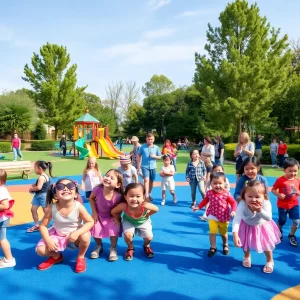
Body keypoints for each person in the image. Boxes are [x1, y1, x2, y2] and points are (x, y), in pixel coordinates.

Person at [36, 178, 93, 273]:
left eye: (70, 186)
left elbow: (90, 221)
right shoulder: (52, 208)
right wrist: (48, 240)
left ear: (76, 194)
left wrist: (77, 233)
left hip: (75, 237)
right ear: (55, 195)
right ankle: (56, 256)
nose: (66, 189)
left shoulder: (78, 207)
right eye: (60, 187)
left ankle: (81, 257)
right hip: (58, 236)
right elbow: (42, 226)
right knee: (40, 250)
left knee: (86, 235)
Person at [233, 181, 281, 273]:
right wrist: (235, 234)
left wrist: (259, 210)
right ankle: (247, 256)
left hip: (262, 226)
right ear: (244, 196)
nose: (253, 199)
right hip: (246, 225)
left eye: (257, 197)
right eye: (250, 196)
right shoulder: (242, 204)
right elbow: (237, 219)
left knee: (266, 245)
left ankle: (270, 260)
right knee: (245, 242)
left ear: (264, 196)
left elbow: (268, 218)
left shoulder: (266, 203)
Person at [193, 172, 237, 257]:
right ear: (211, 184)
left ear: (224, 183)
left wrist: (234, 210)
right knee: (212, 232)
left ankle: (225, 245)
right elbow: (205, 201)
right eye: (215, 183)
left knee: (223, 233)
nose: (217, 185)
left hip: (223, 216)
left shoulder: (226, 193)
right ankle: (213, 247)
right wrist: (199, 207)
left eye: (220, 183)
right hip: (212, 215)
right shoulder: (209, 193)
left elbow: (233, 202)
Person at [111, 183, 159, 261]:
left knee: (149, 237)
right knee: (127, 236)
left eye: (138, 196)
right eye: (131, 196)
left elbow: (156, 209)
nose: (134, 199)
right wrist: (118, 218)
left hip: (143, 222)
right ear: (125, 197)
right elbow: (113, 211)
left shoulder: (145, 205)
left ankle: (146, 246)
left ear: (143, 197)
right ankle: (130, 248)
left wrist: (148, 214)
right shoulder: (123, 205)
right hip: (129, 221)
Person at [89, 169, 124, 261]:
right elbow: (91, 199)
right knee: (94, 227)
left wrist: (117, 217)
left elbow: (120, 208)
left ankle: (113, 248)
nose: (108, 178)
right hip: (99, 215)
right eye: (107, 175)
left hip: (111, 216)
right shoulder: (97, 190)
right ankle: (99, 245)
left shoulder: (118, 196)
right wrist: (94, 213)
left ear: (118, 185)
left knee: (114, 229)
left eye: (112, 178)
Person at [271, 158, 300, 247]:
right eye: (290, 171)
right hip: (283, 205)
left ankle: (291, 235)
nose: (293, 173)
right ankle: (279, 231)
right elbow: (273, 190)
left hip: (294, 204)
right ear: (284, 170)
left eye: (295, 171)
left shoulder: (298, 180)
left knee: (297, 221)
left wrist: (298, 192)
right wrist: (279, 195)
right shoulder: (280, 180)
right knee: (282, 221)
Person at [26, 161, 54, 233]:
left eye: (35, 168)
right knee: (33, 209)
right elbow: (41, 186)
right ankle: (36, 225)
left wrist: (31, 189)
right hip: (38, 195)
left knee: (46, 211)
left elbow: (39, 188)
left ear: (40, 168)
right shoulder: (44, 176)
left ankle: (53, 224)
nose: (34, 169)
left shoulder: (42, 177)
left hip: (43, 196)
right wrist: (35, 186)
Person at [137, 133, 161, 201]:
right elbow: (138, 155)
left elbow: (159, 157)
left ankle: (149, 193)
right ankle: (146, 195)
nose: (150, 140)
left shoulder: (156, 147)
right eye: (148, 139)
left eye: (151, 139)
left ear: (154, 139)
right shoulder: (142, 147)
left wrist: (155, 156)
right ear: (146, 139)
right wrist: (138, 166)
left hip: (153, 167)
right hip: (145, 166)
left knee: (151, 181)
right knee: (146, 180)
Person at [0, 169, 16, 268]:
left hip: (2, 219)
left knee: (2, 239)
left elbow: (5, 205)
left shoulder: (1, 190)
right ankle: (7, 258)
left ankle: (9, 259)